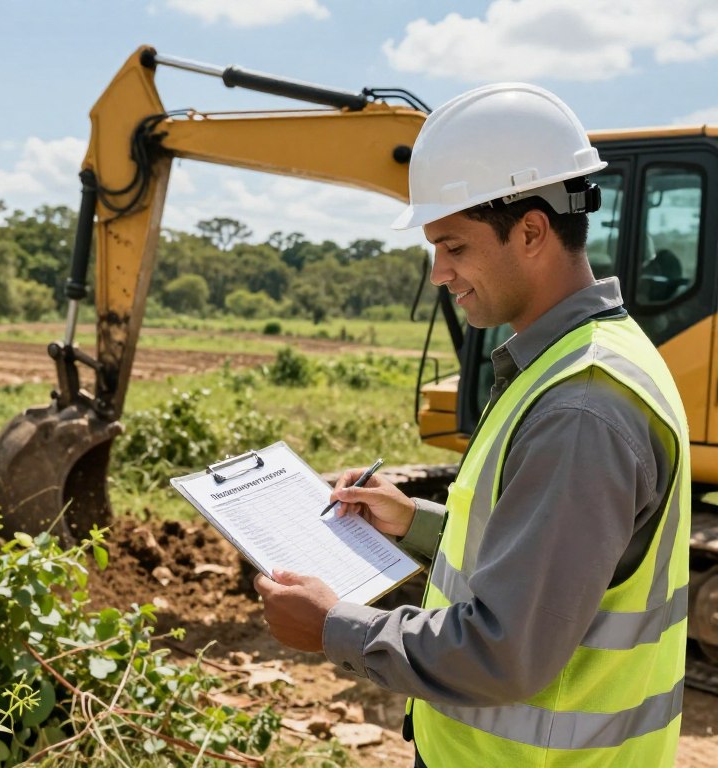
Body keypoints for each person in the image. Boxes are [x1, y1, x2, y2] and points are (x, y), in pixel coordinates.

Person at [254, 83, 690, 767]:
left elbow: (503, 650)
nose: (439, 273)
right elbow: (549, 552)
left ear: (532, 230)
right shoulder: (592, 358)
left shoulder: (579, 407)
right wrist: (416, 522)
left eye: (453, 245)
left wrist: (334, 625)